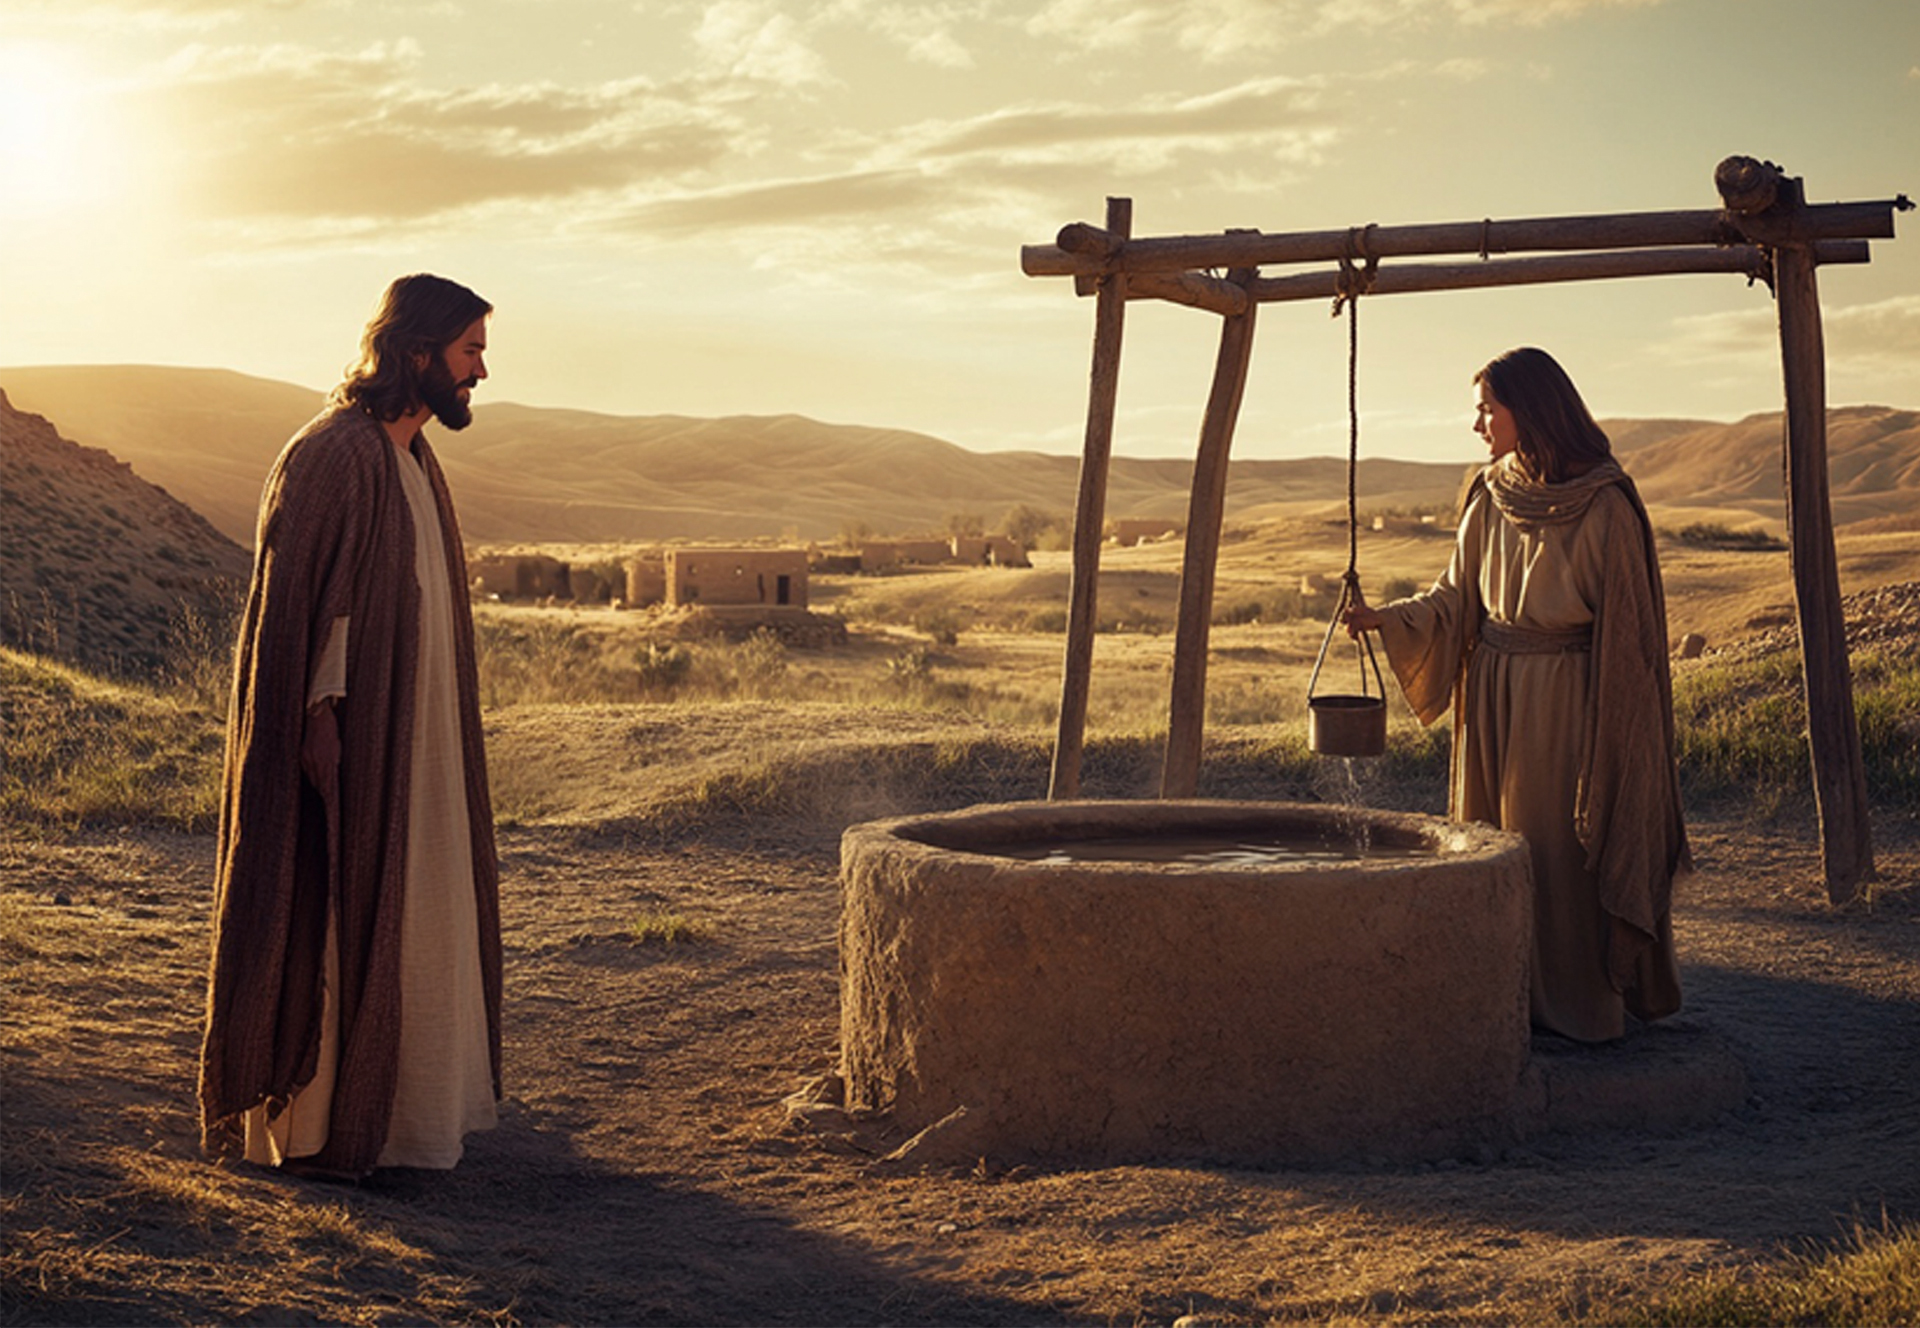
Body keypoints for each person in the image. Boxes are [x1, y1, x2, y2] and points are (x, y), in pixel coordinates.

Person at [199, 274, 503, 1177]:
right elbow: (308, 607)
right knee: (336, 903)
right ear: (419, 353)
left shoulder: (413, 460)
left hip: (418, 735)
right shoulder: (337, 452)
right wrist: (317, 715)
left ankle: (409, 1108)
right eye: (470, 351)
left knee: (414, 901)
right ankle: (321, 1121)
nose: (482, 372)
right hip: (357, 736)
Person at [1343, 346, 1688, 1042]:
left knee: (1560, 848)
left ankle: (1578, 1001)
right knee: (1494, 846)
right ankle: (1506, 993)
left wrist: (1615, 728)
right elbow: (1454, 596)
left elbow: (1631, 637)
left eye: (1486, 409)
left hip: (1567, 700)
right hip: (1493, 690)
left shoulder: (1607, 503)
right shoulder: (1489, 490)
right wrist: (1388, 619)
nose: (1477, 425)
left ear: (1527, 410)